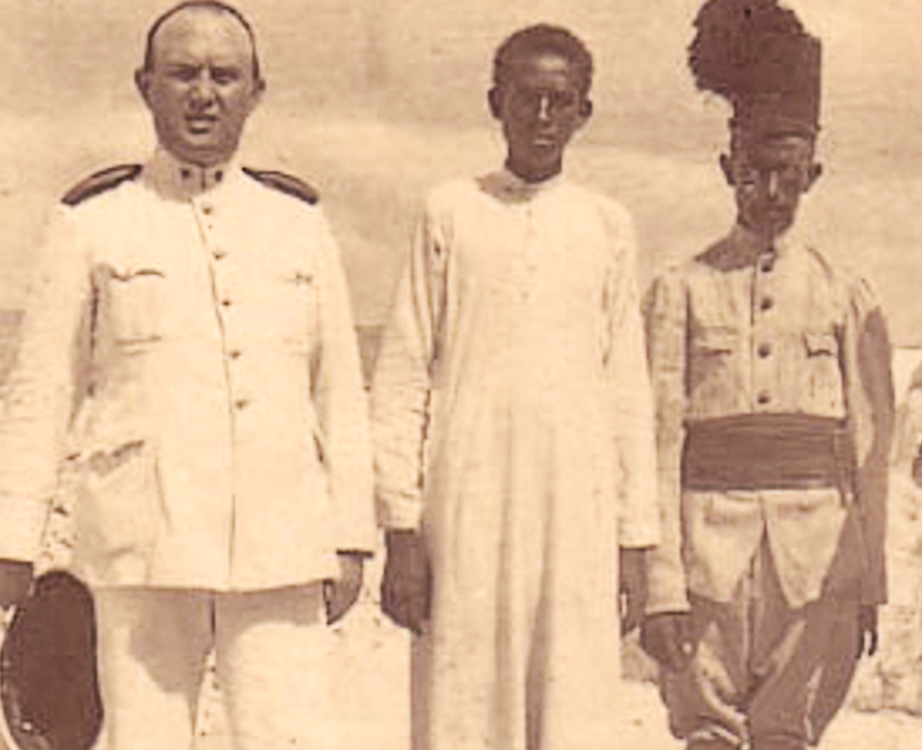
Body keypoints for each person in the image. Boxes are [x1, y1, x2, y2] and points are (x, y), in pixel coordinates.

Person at [0, 3, 374, 749]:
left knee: (289, 738)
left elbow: (340, 391)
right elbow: (43, 388)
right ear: (145, 86)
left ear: (256, 91)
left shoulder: (297, 223)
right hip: (141, 545)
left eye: (225, 76)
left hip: (279, 542)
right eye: (183, 74)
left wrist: (350, 534)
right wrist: (12, 534)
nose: (204, 93)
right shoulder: (92, 222)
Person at [372, 24, 659, 750]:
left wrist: (636, 540)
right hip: (466, 506)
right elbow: (404, 369)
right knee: (462, 703)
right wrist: (401, 531)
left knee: (573, 704)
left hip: (577, 513)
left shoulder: (607, 226)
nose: (542, 117)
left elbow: (626, 386)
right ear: (495, 102)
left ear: (583, 113)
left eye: (560, 102)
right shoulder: (449, 212)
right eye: (526, 98)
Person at [640, 2, 895, 749]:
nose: (772, 192)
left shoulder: (848, 294)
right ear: (729, 169)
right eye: (755, 173)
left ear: (811, 175)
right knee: (708, 734)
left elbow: (873, 453)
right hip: (705, 564)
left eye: (789, 175)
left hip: (819, 569)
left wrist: (869, 584)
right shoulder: (679, 290)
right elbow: (652, 443)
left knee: (789, 736)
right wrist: (660, 585)